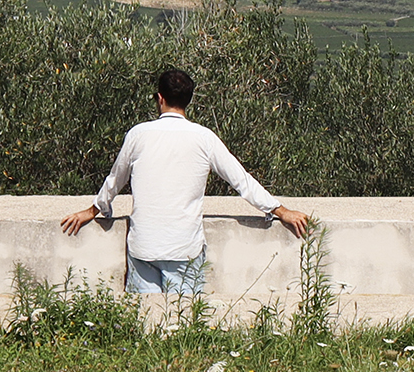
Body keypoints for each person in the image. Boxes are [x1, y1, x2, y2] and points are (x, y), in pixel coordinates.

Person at [60, 67, 309, 294]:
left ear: (160, 98)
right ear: (189, 100)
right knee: (182, 324)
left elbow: (115, 180)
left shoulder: (138, 135)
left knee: (145, 323)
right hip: (184, 248)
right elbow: (241, 181)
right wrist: (281, 210)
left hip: (143, 246)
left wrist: (93, 210)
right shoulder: (204, 138)